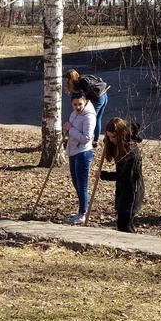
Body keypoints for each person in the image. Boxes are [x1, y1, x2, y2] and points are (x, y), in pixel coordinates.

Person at [97, 117, 144, 232]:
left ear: (121, 134)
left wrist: (103, 175)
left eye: (113, 137)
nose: (111, 139)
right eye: (109, 136)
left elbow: (124, 175)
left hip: (133, 191)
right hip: (123, 190)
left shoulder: (131, 152)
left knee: (124, 224)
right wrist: (107, 142)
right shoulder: (119, 145)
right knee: (124, 223)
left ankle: (130, 246)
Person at [62, 90, 97, 224]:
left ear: (85, 101)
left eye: (80, 104)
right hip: (73, 152)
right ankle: (81, 210)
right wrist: (66, 129)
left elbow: (86, 138)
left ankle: (83, 214)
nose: (77, 107)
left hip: (83, 153)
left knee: (82, 185)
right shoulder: (73, 114)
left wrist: (71, 129)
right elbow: (71, 130)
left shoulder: (89, 116)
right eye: (75, 104)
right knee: (76, 184)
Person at [66, 69, 110, 143]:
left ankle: (91, 140)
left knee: (91, 118)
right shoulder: (84, 77)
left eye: (68, 80)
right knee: (98, 118)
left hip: (98, 99)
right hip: (104, 95)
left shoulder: (79, 85)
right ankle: (95, 139)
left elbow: (82, 98)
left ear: (71, 79)